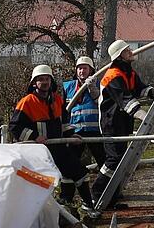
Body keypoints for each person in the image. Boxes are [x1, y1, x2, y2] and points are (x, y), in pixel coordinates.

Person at [10, 64, 93, 209]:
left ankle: (88, 206)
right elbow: (15, 127)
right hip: (39, 152)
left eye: (47, 79)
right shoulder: (27, 102)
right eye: (41, 79)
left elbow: (65, 123)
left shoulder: (57, 99)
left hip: (59, 147)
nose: (45, 82)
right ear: (34, 83)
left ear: (51, 81)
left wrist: (71, 136)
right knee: (42, 184)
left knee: (80, 173)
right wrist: (35, 136)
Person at [91, 40, 154, 209]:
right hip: (110, 124)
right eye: (127, 50)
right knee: (113, 160)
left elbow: (139, 89)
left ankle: (112, 198)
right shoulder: (112, 75)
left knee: (119, 160)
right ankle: (97, 194)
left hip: (121, 123)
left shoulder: (128, 72)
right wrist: (143, 115)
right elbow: (125, 100)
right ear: (120, 55)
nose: (131, 51)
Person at [63, 55, 105, 169]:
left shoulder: (99, 85)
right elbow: (63, 110)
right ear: (76, 70)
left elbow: (103, 104)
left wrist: (93, 88)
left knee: (103, 161)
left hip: (95, 131)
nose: (82, 71)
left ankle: (112, 185)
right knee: (71, 162)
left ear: (91, 70)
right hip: (75, 132)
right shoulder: (68, 87)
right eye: (79, 68)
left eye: (85, 68)